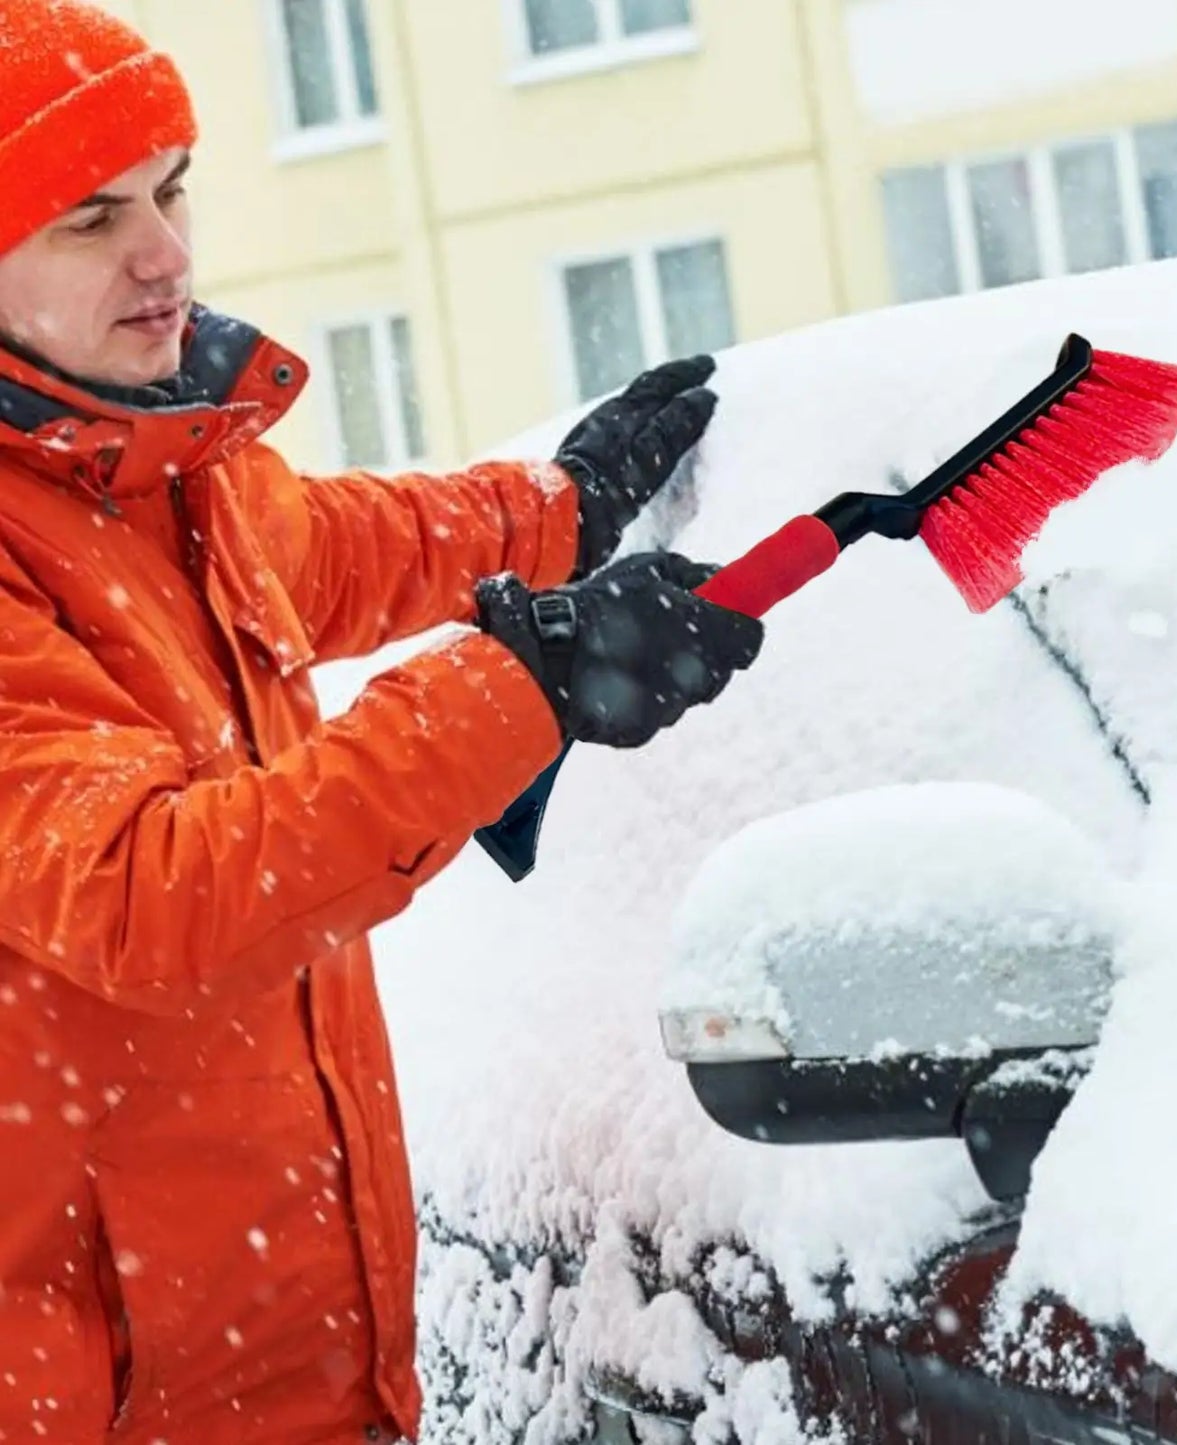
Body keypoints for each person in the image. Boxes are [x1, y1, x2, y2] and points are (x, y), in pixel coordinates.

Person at [0, 3, 763, 1442]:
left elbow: (347, 547)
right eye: (90, 218)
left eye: (170, 191)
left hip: (308, 1374)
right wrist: (527, 685)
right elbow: (155, 891)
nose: (164, 254)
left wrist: (559, 509)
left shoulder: (163, 474)